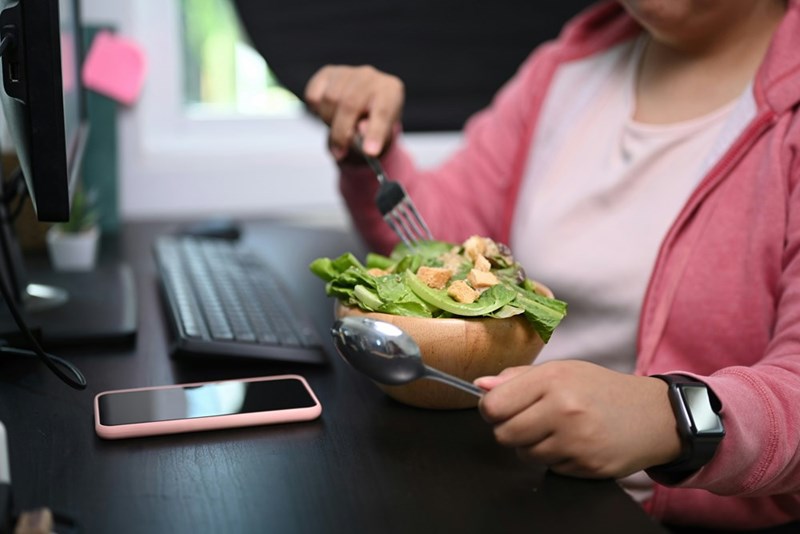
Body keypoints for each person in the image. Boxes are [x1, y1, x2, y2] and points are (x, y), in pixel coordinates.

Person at [303, 0, 800, 531]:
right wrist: (370, 152)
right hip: (516, 477)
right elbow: (438, 244)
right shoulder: (570, 63)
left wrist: (674, 417)